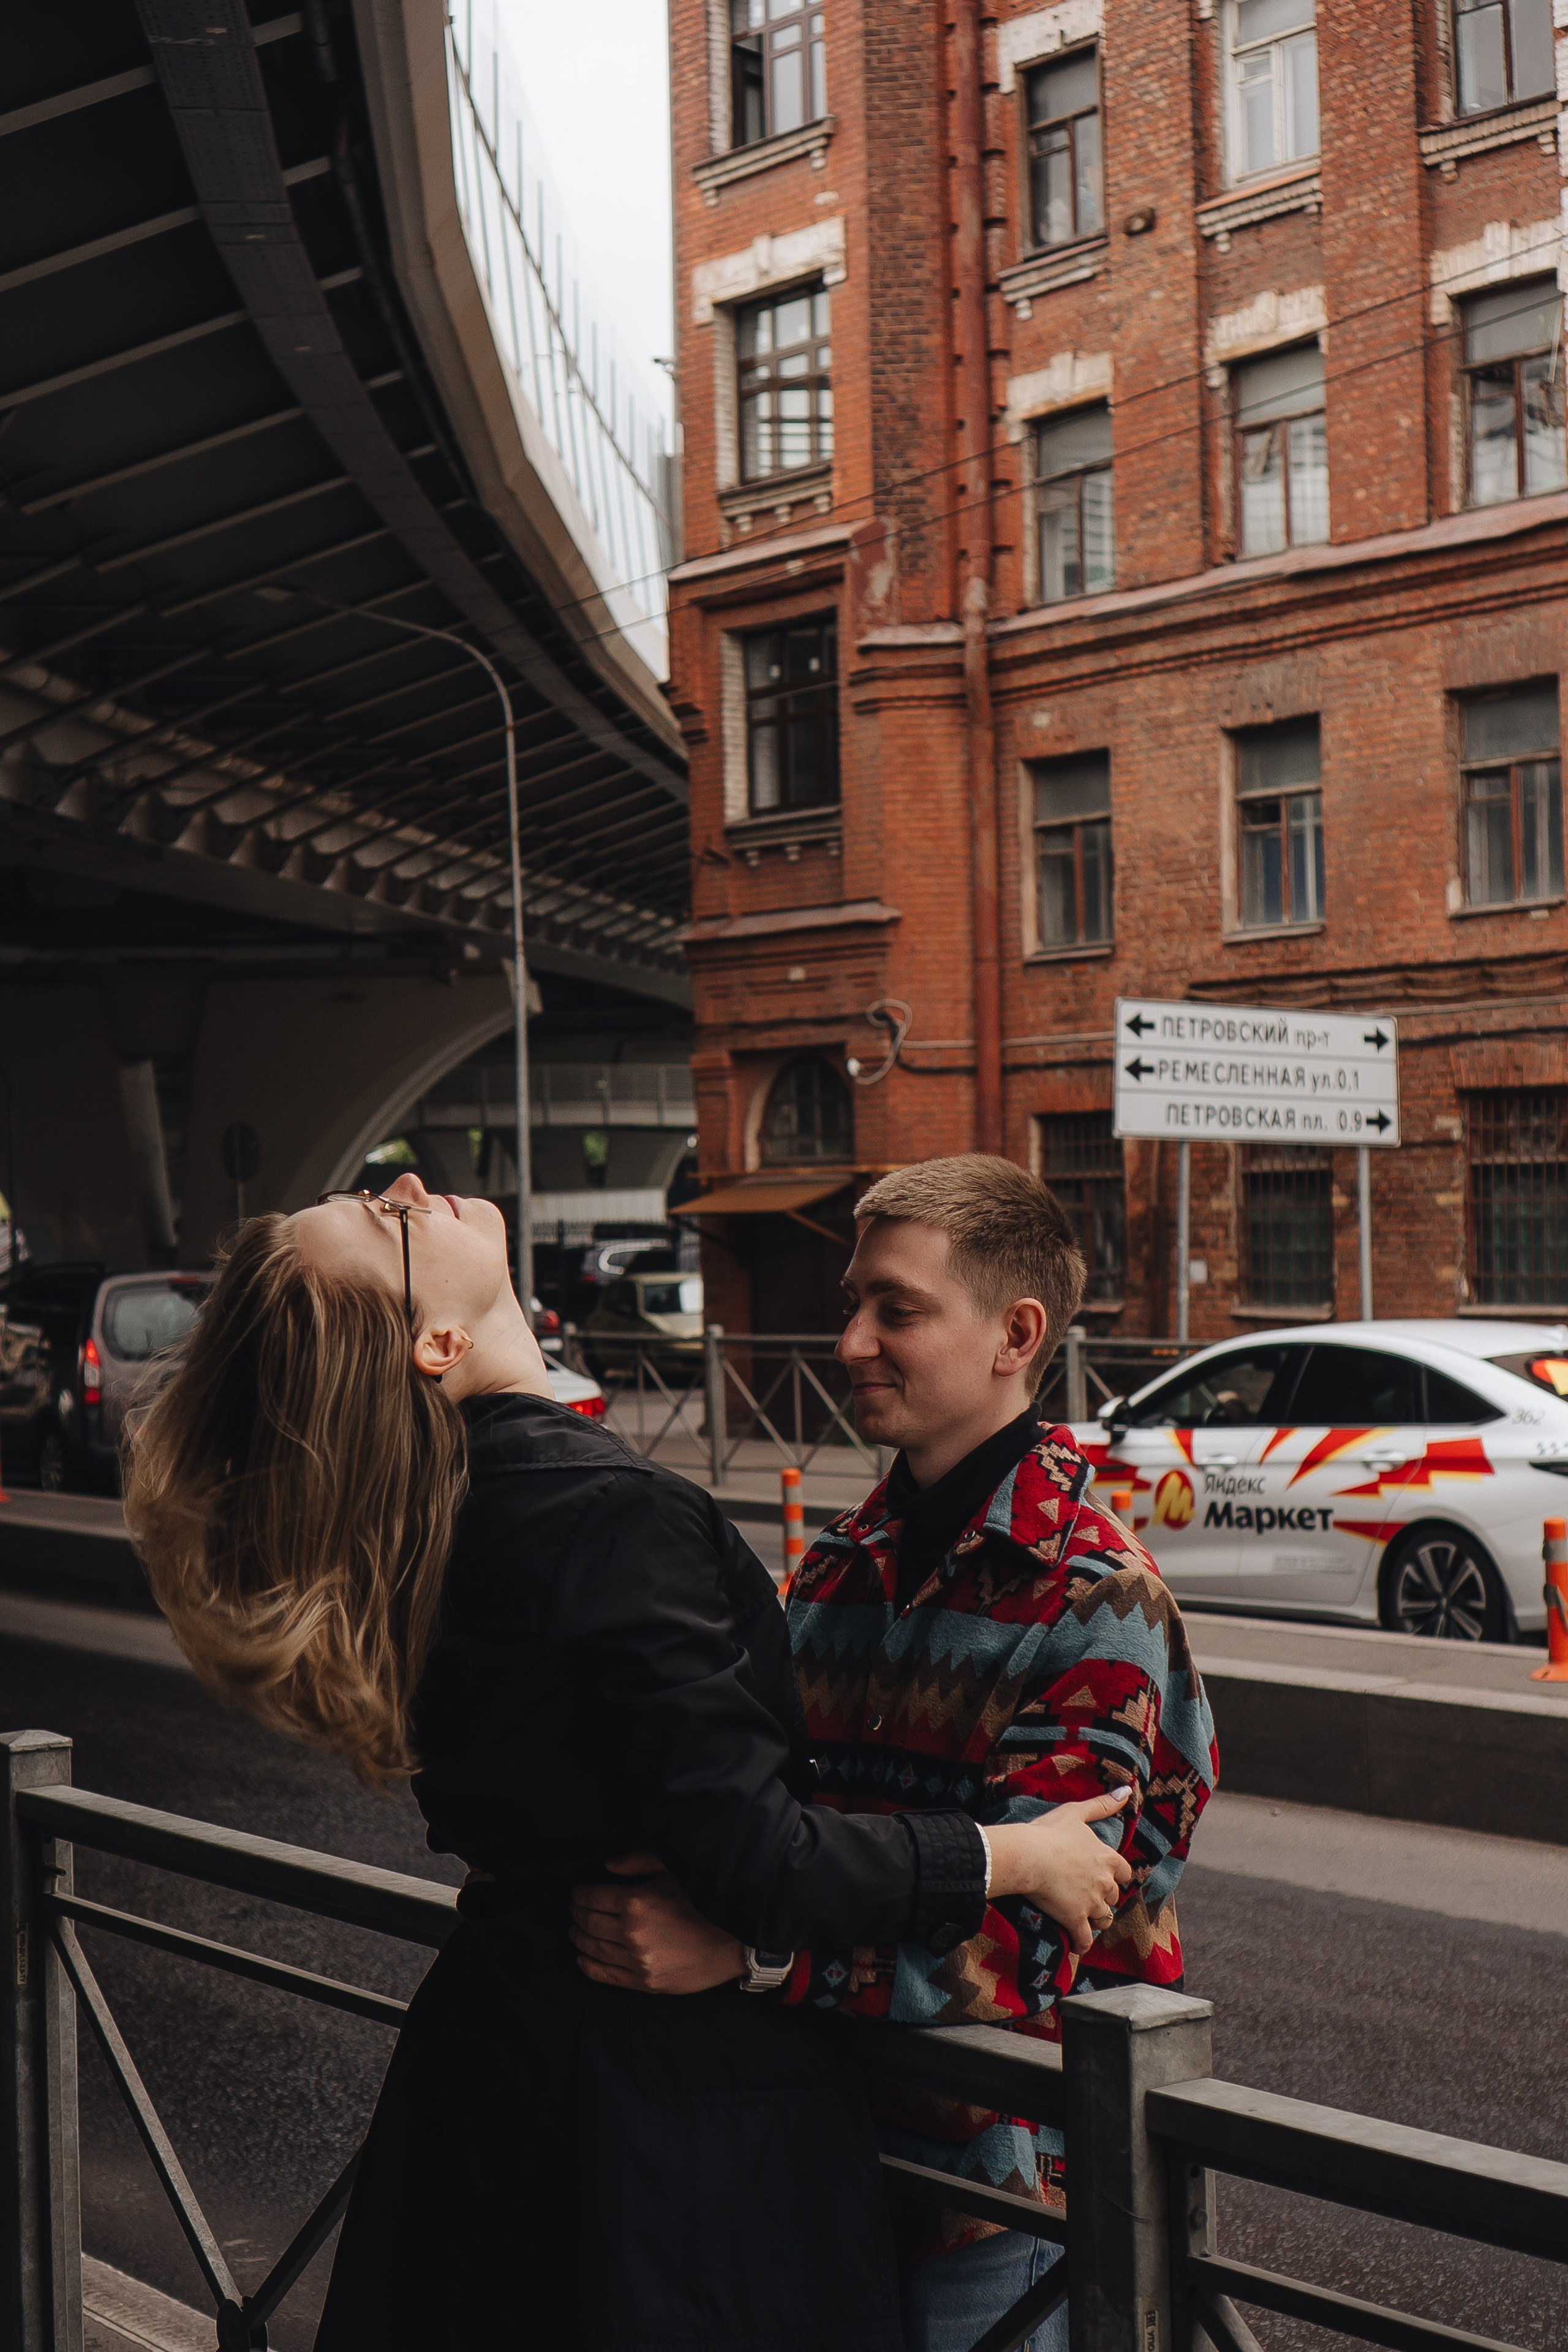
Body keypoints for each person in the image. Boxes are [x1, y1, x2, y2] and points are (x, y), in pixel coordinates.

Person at [124, 1171, 1137, 2352]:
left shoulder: (427, 1507)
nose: (405, 1182)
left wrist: (752, 1954)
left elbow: (1069, 1935)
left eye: (893, 1309)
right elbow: (758, 1855)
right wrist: (1002, 1858)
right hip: (662, 2124)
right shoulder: (625, 1517)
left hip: (556, 2087)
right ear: (436, 1341)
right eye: (386, 1219)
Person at [569, 1153, 1219, 2352]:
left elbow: (1037, 1936)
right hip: (806, 2155)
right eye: (852, 1303)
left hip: (1002, 2201)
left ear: (1015, 1334)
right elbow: (759, 1825)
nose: (850, 1341)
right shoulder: (833, 1567)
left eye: (896, 1310)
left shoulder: (1098, 1598)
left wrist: (754, 1955)